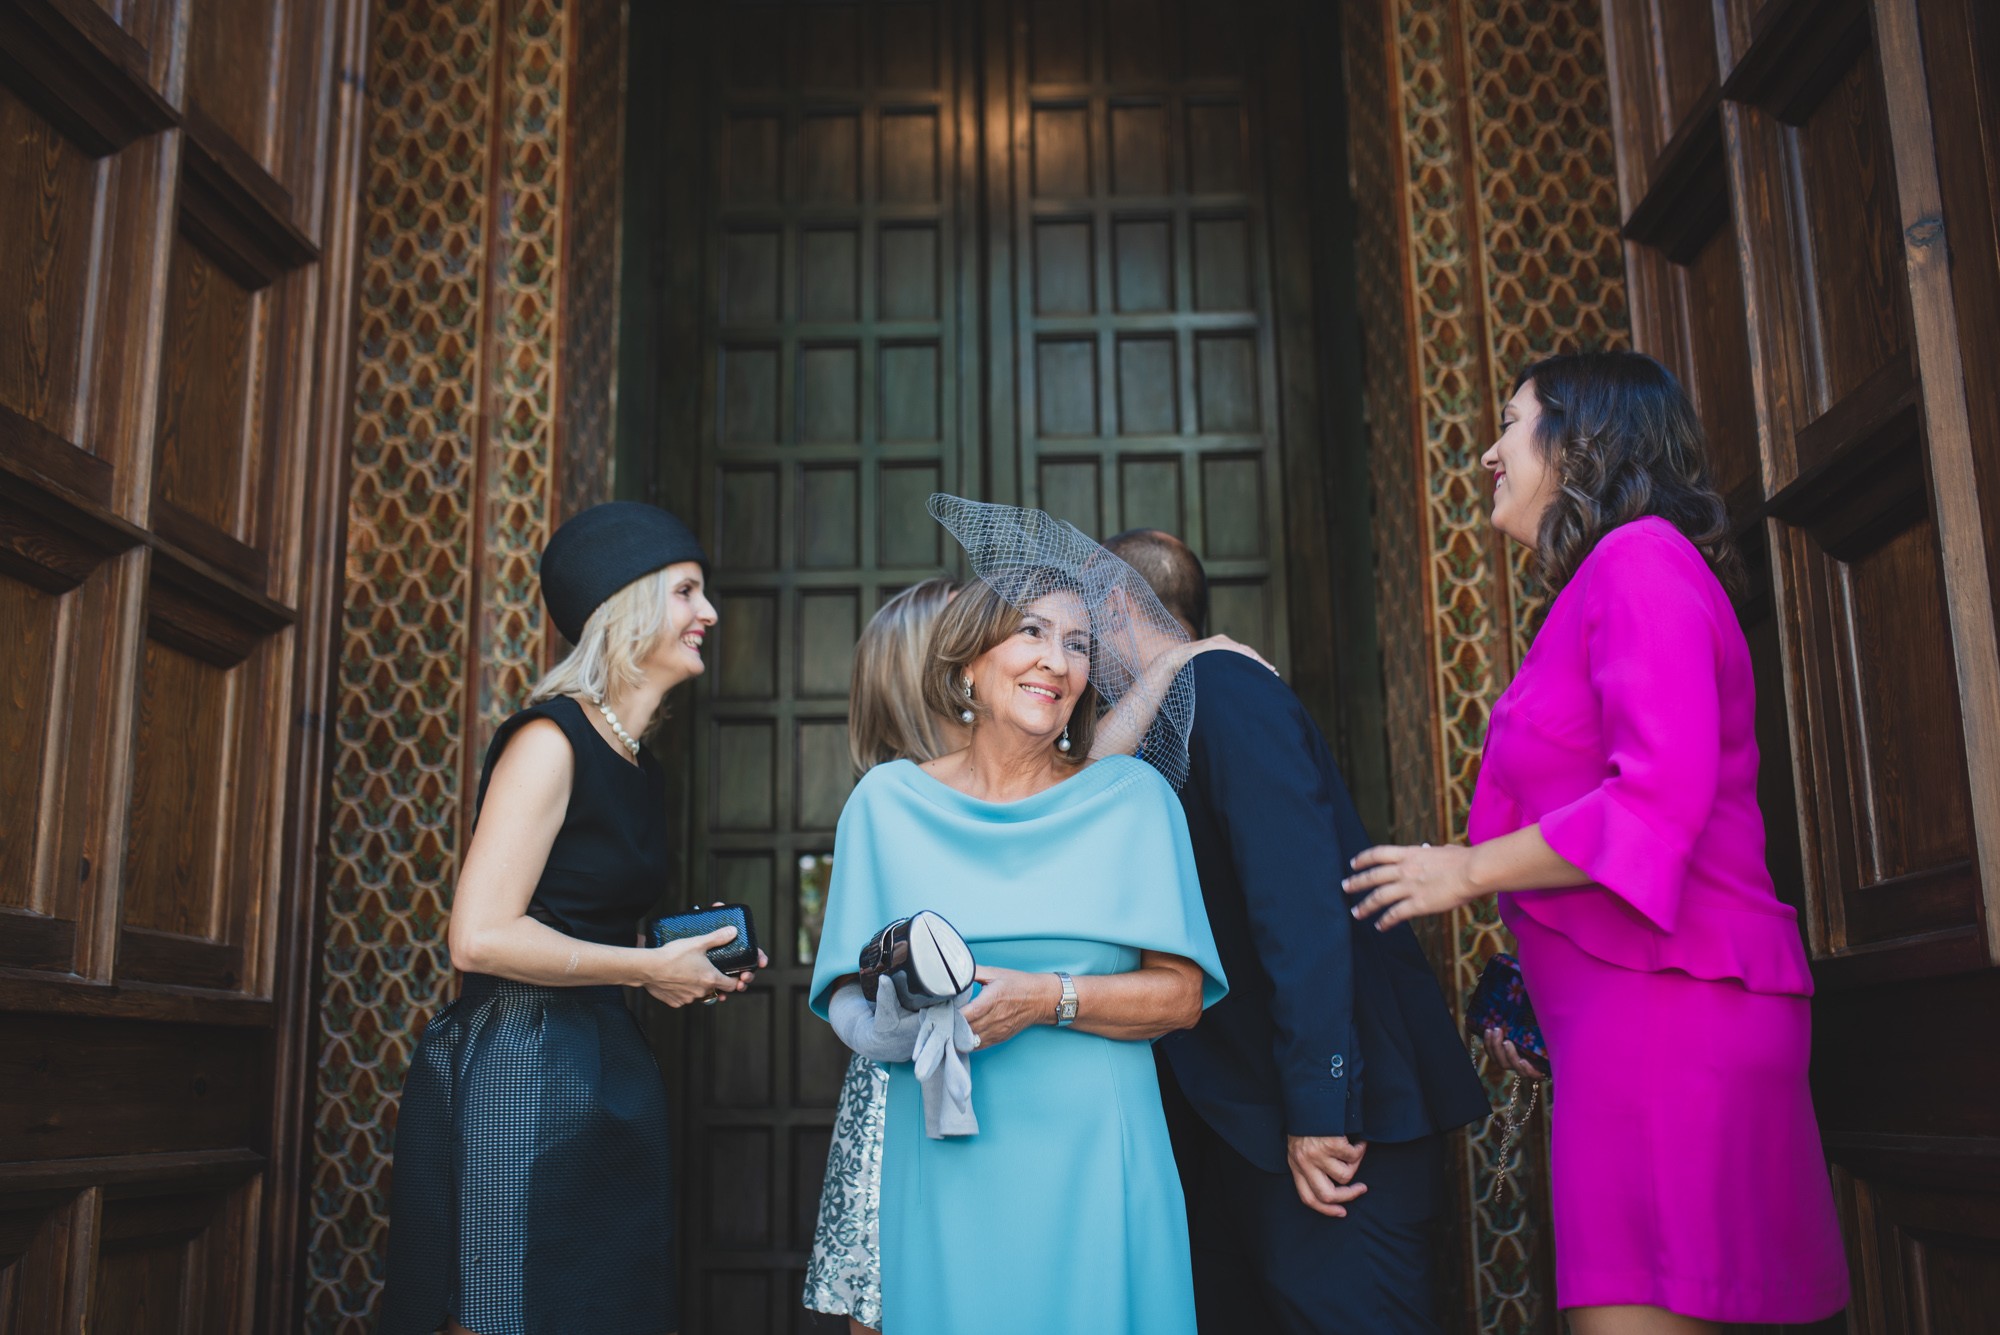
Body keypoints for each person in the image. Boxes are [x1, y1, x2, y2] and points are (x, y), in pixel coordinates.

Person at [1344, 351, 1849, 1333]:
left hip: (1668, 1017)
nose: (1487, 453)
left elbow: (1653, 801)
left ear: (1578, 442)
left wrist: (1464, 872)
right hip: (1625, 1017)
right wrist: (1524, 982)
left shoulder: (1639, 558)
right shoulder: (1598, 585)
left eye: (1509, 424)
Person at [807, 497, 1228, 1335]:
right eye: (1032, 632)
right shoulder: (885, 806)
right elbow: (846, 1000)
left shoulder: (1132, 801)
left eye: (1079, 644)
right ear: (968, 663)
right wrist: (904, 1022)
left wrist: (1047, 996)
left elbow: (1181, 998)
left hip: (1096, 1156)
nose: (1057, 660)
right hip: (943, 1156)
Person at [381, 502, 768, 1335]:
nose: (709, 614)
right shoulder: (549, 742)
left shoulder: (641, 765)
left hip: (605, 1068)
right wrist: (643, 969)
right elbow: (478, 934)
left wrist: (674, 962)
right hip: (519, 1065)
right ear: (626, 608)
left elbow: (580, 920)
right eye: (688, 592)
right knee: (504, 1307)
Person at [1101, 530, 1491, 1334]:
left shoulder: (1226, 687)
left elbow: (1300, 903)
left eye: (1078, 634)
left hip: (1333, 1142)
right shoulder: (1157, 722)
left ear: (1112, 604)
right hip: (1241, 1135)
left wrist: (1320, 1108)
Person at [804, 577, 963, 1335]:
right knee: (892, 1296)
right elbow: (843, 979)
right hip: (904, 1088)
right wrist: (880, 1031)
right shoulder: (887, 800)